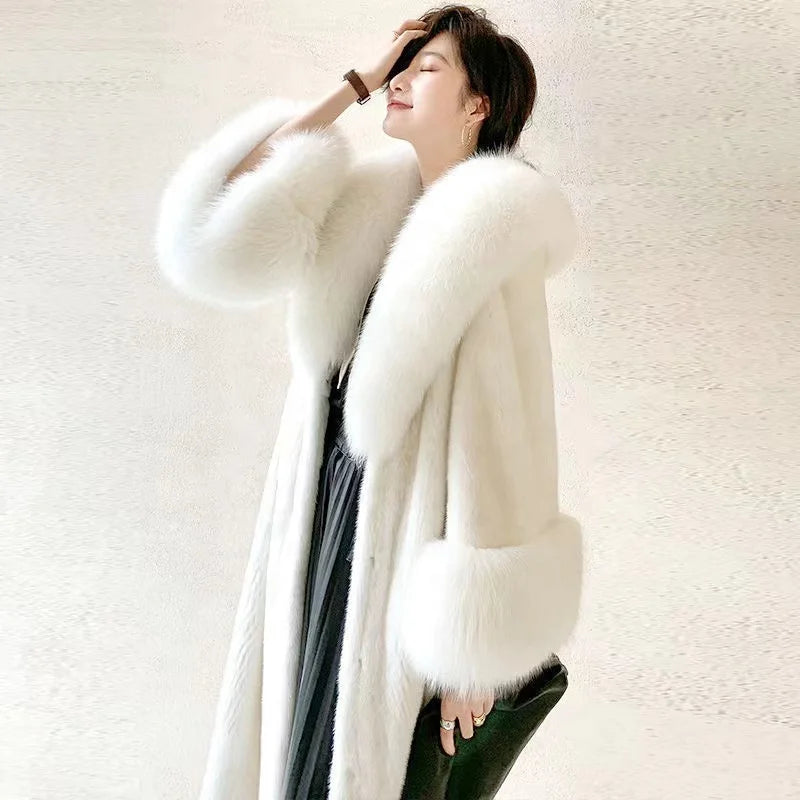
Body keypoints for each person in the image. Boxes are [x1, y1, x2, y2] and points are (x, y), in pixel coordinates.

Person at [154, 6, 583, 799]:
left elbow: (506, 447)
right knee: (293, 754)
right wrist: (357, 81)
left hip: (393, 541)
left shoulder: (489, 235)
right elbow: (215, 231)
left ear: (478, 104)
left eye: (428, 69)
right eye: (402, 67)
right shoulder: (369, 207)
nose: (401, 80)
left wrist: (476, 655)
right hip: (319, 519)